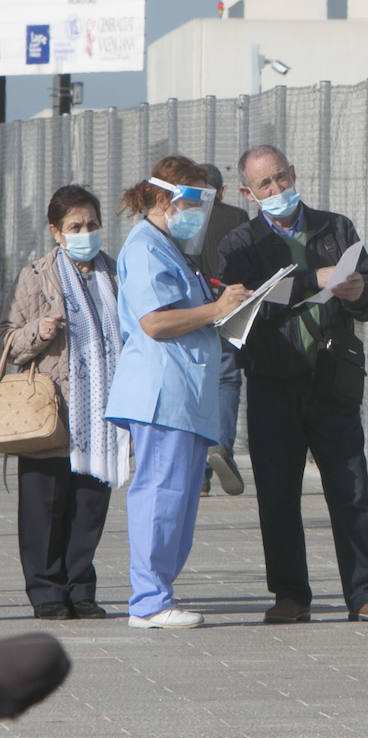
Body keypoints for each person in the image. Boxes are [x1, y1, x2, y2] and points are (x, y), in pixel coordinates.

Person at [218, 144, 368, 625]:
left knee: (351, 489)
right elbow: (245, 303)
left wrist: (363, 290)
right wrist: (309, 280)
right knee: (278, 494)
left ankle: (366, 593)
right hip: (272, 381)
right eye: (265, 184)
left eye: (282, 177)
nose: (277, 189)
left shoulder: (335, 227)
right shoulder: (240, 244)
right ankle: (290, 595)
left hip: (332, 380)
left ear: (294, 173)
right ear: (248, 192)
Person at [106, 156, 251, 629]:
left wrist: (221, 307)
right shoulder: (146, 248)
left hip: (181, 395)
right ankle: (148, 601)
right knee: (160, 493)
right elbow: (155, 322)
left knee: (180, 497)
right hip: (161, 395)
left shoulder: (167, 245)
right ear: (166, 198)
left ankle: (158, 593)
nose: (198, 212)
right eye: (192, 201)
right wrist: (215, 309)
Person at [1, 185, 129, 620]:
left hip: (102, 416)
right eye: (75, 226)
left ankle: (81, 587)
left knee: (90, 506)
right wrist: (40, 329)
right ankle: (47, 591)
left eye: (92, 224)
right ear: (56, 232)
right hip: (52, 413)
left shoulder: (114, 272)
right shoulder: (35, 277)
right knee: (44, 506)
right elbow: (10, 342)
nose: (86, 233)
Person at [194, 162, 249, 497]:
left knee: (199, 385)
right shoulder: (237, 219)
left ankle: (199, 472)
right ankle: (221, 449)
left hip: (194, 312)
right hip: (229, 308)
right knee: (227, 379)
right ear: (224, 191)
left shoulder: (182, 220)